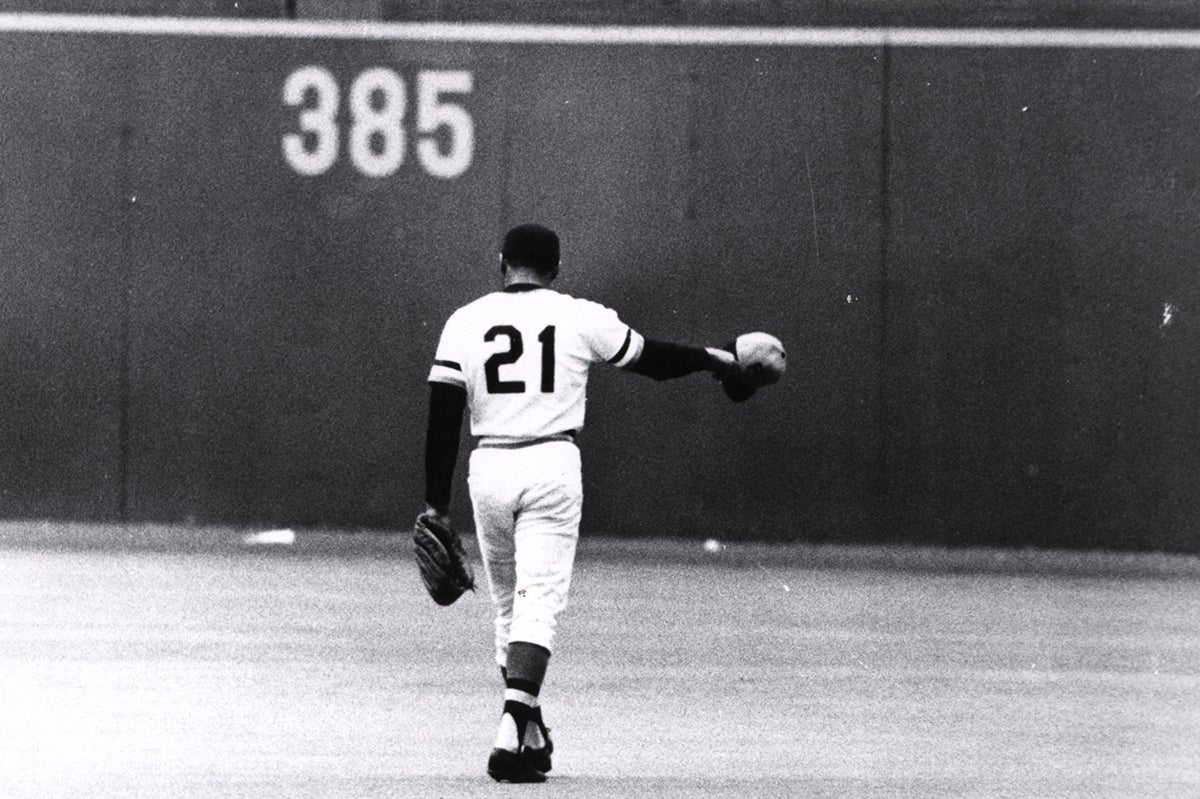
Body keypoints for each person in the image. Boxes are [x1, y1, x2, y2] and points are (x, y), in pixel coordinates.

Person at [421, 223, 743, 783]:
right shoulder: (578, 314)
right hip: (551, 466)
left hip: (489, 466)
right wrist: (716, 359)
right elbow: (654, 359)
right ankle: (508, 730)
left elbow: (443, 418)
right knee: (538, 602)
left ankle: (530, 730)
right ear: (558, 268)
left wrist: (433, 505)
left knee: (508, 607)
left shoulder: (464, 321)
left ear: (501, 262)